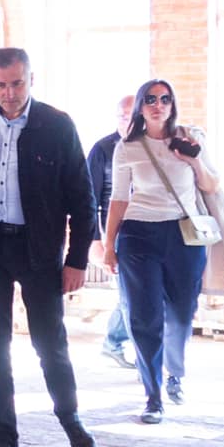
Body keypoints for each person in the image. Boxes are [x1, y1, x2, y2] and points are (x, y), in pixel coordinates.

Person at [0, 48, 97, 447]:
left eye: (17, 84)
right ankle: (3, 440)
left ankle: (69, 417)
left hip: (39, 249)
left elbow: (83, 200)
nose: (9, 94)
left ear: (32, 79)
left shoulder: (57, 125)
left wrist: (77, 260)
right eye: (1, 85)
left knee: (50, 343)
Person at [102, 77, 221, 424]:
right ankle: (153, 395)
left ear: (173, 104)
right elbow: (118, 199)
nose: (158, 105)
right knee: (145, 316)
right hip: (139, 235)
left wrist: (193, 160)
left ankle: (174, 374)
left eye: (165, 99)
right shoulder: (127, 148)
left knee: (182, 313)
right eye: (151, 99)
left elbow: (211, 184)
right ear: (141, 107)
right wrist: (109, 246)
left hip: (184, 235)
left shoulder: (190, 138)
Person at [87, 95, 138, 370]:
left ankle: (113, 343)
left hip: (145, 229)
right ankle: (139, 353)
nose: (126, 121)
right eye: (122, 115)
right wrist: (96, 240)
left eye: (132, 115)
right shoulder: (103, 149)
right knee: (130, 295)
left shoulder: (147, 147)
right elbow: (88, 199)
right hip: (114, 233)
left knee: (134, 294)